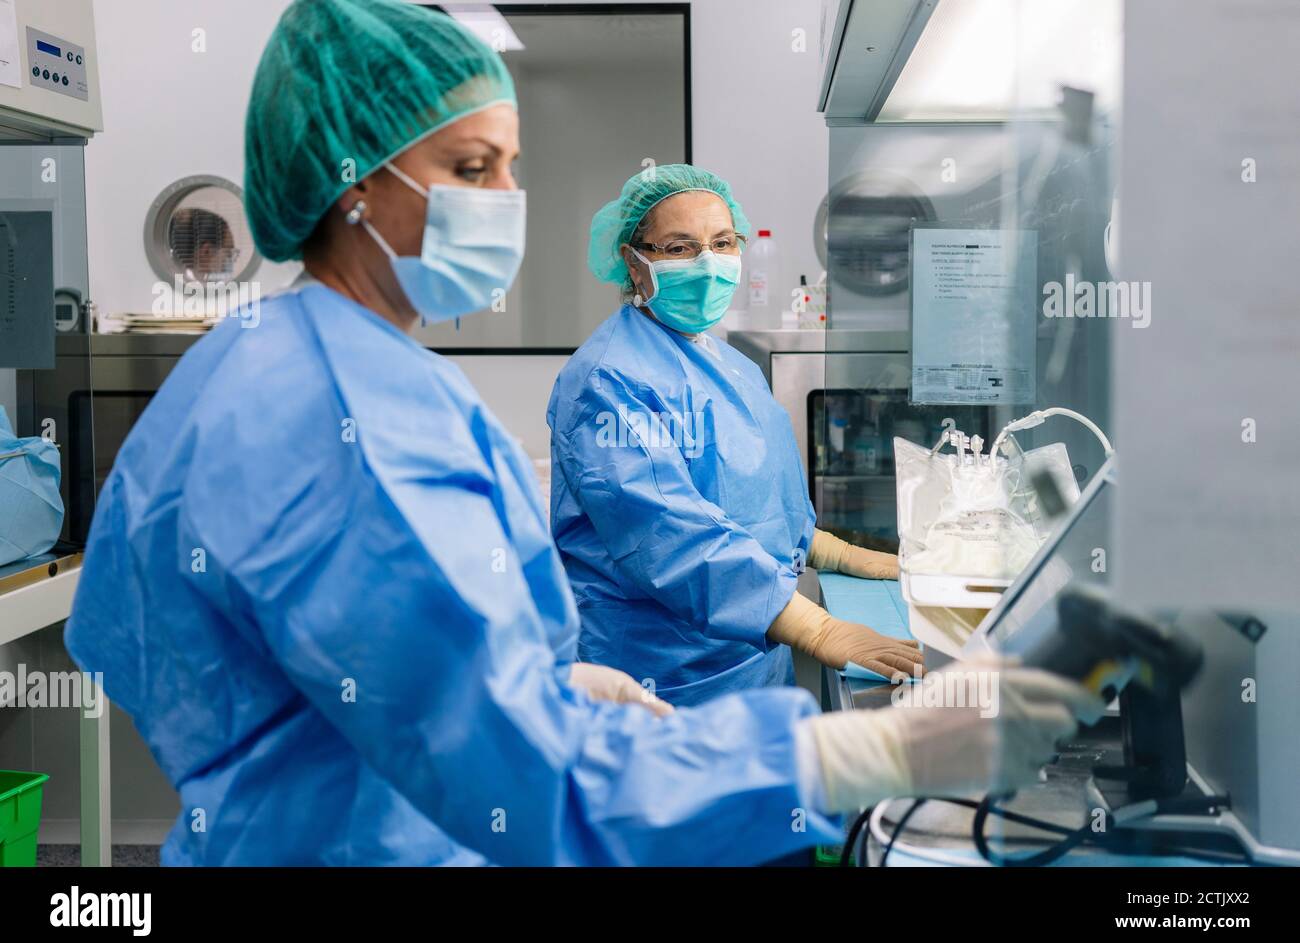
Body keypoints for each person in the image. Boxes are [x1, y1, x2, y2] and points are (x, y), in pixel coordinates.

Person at [65, 0, 1101, 866]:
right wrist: (863, 754)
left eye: (512, 167)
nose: (509, 201)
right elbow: (535, 784)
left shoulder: (268, 354)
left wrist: (533, 682)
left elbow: (135, 631)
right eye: (472, 168)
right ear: (353, 182)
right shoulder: (350, 418)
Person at [547, 165, 923, 705]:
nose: (707, 263)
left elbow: (752, 501)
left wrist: (833, 552)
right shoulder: (608, 380)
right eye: (679, 248)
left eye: (722, 243)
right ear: (635, 261)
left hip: (752, 659)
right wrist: (818, 629)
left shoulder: (729, 365)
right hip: (662, 676)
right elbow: (669, 538)